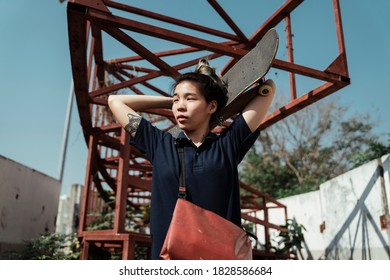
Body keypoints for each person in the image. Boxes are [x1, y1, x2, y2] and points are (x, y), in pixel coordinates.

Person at [108, 59, 275, 259]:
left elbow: (268, 89)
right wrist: (169, 100)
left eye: (190, 99)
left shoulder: (227, 146)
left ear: (211, 106)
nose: (180, 106)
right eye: (176, 100)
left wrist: (219, 98)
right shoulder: (159, 144)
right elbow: (115, 101)